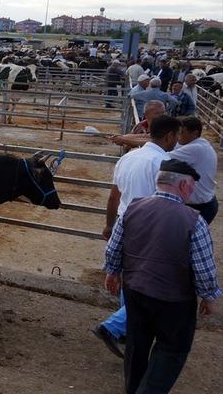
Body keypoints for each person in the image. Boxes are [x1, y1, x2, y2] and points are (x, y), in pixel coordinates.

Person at [103, 159, 219, 394]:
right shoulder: (194, 221)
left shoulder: (134, 208)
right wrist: (209, 296)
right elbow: (203, 270)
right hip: (174, 300)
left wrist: (112, 271)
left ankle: (133, 389)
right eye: (193, 187)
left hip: (135, 290)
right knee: (171, 350)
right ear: (185, 186)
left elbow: (114, 247)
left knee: (137, 344)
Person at [95, 115, 181, 359]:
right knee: (147, 284)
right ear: (169, 136)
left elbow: (114, 196)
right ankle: (114, 327)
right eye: (176, 137)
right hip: (150, 227)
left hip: (124, 222)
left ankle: (126, 330)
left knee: (129, 280)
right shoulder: (166, 162)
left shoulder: (127, 158)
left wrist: (109, 225)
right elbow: (169, 201)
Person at [169, 116, 218, 224]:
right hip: (203, 203)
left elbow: (162, 156)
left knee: (184, 238)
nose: (179, 136)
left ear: (194, 133)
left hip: (200, 207)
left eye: (182, 132)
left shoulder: (195, 148)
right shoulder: (197, 144)